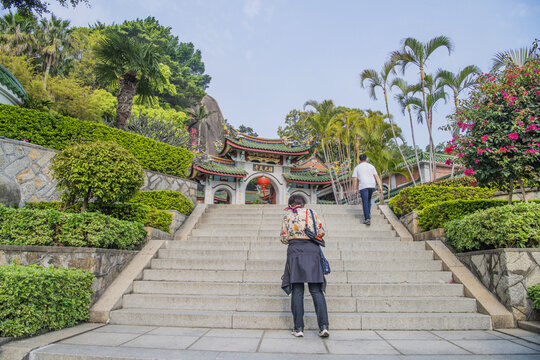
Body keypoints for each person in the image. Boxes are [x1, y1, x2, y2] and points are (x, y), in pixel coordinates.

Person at [280, 195, 329, 338]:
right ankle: (324, 326)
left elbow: (283, 238)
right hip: (312, 251)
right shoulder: (312, 213)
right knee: (316, 290)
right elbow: (321, 232)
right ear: (303, 204)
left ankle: (299, 328)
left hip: (295, 252)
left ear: (291, 204)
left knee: (297, 289)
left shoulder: (288, 216)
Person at [352, 154, 383, 225]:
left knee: (365, 201)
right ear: (366, 159)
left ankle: (367, 218)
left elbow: (355, 180)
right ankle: (368, 214)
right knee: (368, 200)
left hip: (363, 185)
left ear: (359, 160)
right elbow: (376, 176)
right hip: (372, 185)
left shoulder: (357, 168)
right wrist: (380, 186)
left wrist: (354, 189)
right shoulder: (371, 166)